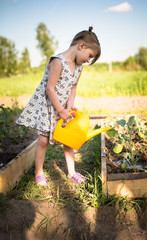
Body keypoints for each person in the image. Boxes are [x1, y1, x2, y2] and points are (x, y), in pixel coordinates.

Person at [16, 26, 101, 186]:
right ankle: (39, 173)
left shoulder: (78, 67)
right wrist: (60, 110)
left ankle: (72, 173)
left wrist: (69, 105)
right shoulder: (58, 61)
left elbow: (73, 87)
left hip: (63, 108)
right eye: (90, 56)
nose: (88, 60)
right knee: (43, 140)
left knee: (68, 140)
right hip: (49, 107)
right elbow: (50, 88)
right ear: (81, 45)